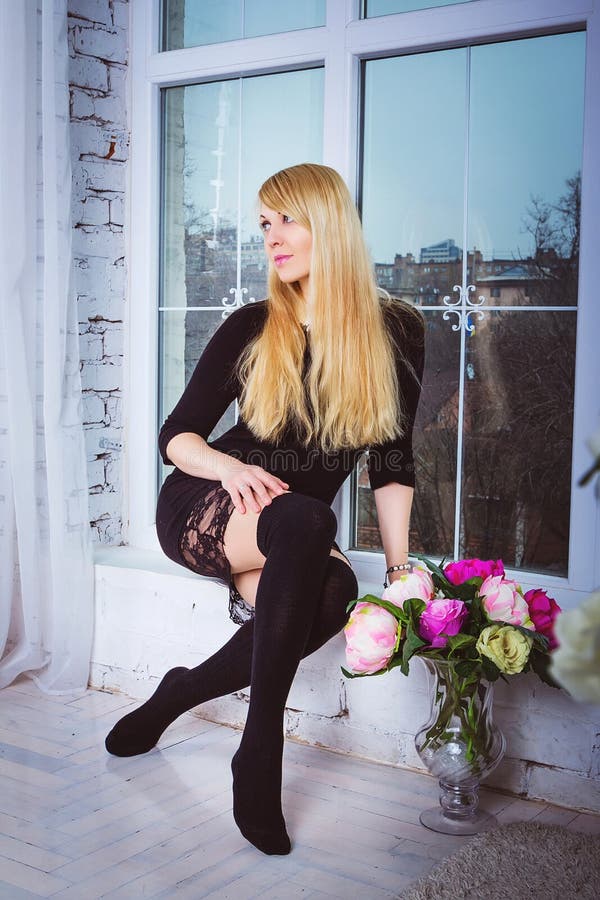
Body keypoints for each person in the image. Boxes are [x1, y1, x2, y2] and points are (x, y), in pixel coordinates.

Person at [105, 163, 425, 856]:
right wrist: (229, 466)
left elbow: (392, 464)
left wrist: (400, 569)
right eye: (264, 224)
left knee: (335, 590)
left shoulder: (397, 331)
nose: (272, 238)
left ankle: (177, 694)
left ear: (330, 225)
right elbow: (176, 437)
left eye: (287, 220)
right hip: (210, 504)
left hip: (292, 527)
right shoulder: (254, 325)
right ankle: (261, 749)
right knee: (310, 519)